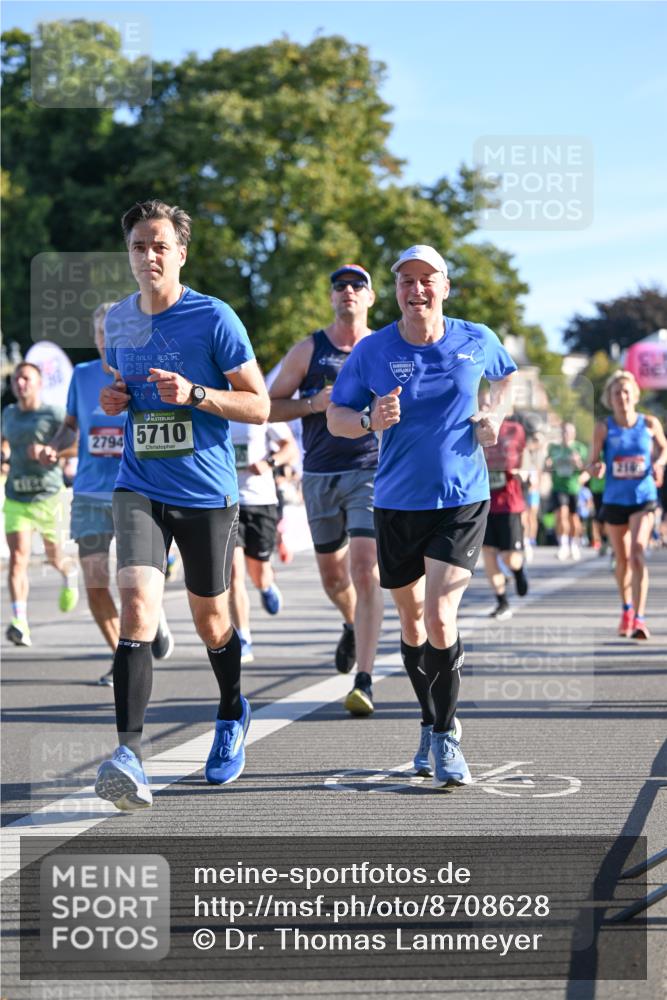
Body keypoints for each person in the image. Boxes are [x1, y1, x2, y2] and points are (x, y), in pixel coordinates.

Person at [93, 199, 270, 811]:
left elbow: (261, 405)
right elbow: (122, 391)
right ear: (129, 254)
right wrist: (117, 400)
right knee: (138, 603)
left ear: (181, 253)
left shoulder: (214, 318)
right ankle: (128, 756)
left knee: (210, 621)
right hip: (138, 482)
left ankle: (230, 711)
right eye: (140, 246)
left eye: (160, 245)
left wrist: (197, 393)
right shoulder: (118, 321)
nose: (149, 256)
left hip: (204, 492)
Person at [327, 245, 516, 789]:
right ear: (397, 292)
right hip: (395, 503)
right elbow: (336, 417)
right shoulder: (373, 350)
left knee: (439, 618)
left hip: (461, 498)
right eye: (406, 281)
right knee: (412, 624)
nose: (417, 290)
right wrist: (367, 417)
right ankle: (429, 722)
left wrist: (494, 412)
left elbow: (506, 375)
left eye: (426, 280)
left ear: (445, 287)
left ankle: (447, 731)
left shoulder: (476, 338)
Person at [37, 303, 174, 685]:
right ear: (96, 337)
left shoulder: (144, 373)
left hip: (136, 488)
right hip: (90, 493)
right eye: (101, 334)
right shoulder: (81, 376)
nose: (106, 341)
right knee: (95, 582)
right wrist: (54, 446)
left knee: (131, 582)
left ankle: (152, 612)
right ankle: (122, 660)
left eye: (114, 333)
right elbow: (70, 428)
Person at [269, 264, 383, 716]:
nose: (349, 292)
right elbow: (267, 407)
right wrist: (311, 404)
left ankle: (365, 679)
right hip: (319, 474)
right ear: (332, 297)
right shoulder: (309, 350)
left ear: (371, 298)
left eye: (358, 286)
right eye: (340, 286)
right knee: (334, 578)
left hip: (370, 469)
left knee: (362, 566)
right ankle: (352, 623)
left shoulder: (384, 348)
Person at [2, 362, 79, 646]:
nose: (20, 384)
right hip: (17, 497)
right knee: (18, 559)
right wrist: (5, 455)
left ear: (39, 383)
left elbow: (77, 444)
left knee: (53, 557)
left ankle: (69, 573)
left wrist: (53, 453)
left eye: (26, 378)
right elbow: (6, 442)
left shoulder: (54, 414)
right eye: (16, 380)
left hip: (48, 496)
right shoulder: (8, 413)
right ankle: (20, 621)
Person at [589, 370, 667, 640]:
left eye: (625, 391)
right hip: (614, 499)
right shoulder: (604, 427)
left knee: (637, 553)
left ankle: (640, 619)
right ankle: (626, 609)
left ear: (634, 394)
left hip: (643, 497)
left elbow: (664, 448)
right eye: (616, 392)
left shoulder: (649, 423)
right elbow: (592, 461)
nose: (621, 396)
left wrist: (658, 463)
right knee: (621, 559)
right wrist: (596, 468)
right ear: (609, 398)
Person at [229, 418, 299, 663]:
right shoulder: (212, 402)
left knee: (258, 573)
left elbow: (290, 447)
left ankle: (266, 586)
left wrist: (269, 462)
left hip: (261, 501)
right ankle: (243, 638)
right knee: (233, 575)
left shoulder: (261, 406)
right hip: (227, 501)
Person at [479, 392, 529, 620]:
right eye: (483, 402)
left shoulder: (513, 430)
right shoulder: (473, 429)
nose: (486, 406)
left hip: (509, 502)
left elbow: (524, 454)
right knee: (488, 554)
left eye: (491, 402)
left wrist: (526, 472)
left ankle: (517, 570)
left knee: (510, 557)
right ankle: (502, 602)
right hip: (483, 503)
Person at [546, 422, 588, 561]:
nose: (565, 435)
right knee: (561, 515)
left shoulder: (579, 448)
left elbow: (584, 469)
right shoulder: (554, 448)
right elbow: (547, 467)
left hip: (574, 487)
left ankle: (573, 544)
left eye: (568, 432)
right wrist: (548, 465)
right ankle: (563, 545)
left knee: (574, 519)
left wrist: (577, 462)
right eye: (563, 432)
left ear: (573, 434)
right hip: (558, 487)